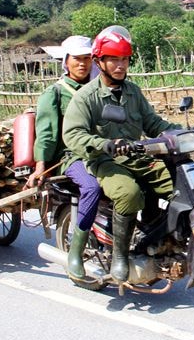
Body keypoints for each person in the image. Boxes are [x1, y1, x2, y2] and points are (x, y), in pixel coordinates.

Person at [62, 26, 185, 283]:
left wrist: (182, 132)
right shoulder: (86, 97)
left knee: (181, 183)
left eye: (125, 59)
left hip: (137, 156)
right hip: (103, 160)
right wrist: (103, 144)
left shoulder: (133, 92)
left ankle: (160, 235)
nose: (120, 65)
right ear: (100, 62)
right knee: (129, 193)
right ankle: (119, 255)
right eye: (114, 59)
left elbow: (153, 123)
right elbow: (72, 134)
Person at [25, 35, 101, 280]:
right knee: (91, 187)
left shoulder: (100, 88)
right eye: (77, 59)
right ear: (66, 62)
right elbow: (46, 132)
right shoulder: (56, 93)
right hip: (70, 156)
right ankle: (76, 253)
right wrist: (40, 167)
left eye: (87, 59)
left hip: (101, 151)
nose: (83, 64)